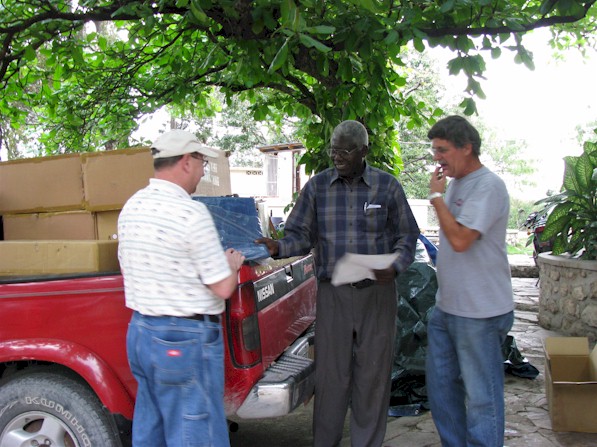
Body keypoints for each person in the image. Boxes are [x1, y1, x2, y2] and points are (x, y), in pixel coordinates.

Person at [256, 120, 420, 447]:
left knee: (373, 376)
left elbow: (407, 236)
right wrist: (279, 248)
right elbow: (299, 235)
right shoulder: (317, 188)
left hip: (377, 293)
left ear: (364, 151)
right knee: (331, 377)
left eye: (345, 150)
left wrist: (396, 264)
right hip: (334, 294)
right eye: (333, 149)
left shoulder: (387, 187)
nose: (337, 156)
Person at [118, 129, 245, 447]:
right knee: (195, 433)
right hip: (184, 342)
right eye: (202, 162)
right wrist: (231, 265)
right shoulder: (191, 213)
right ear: (186, 162)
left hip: (141, 334)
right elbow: (222, 288)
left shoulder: (132, 206)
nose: (203, 170)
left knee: (152, 427)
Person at [425, 115, 514, 446]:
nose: (437, 157)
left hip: (480, 313)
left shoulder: (489, 186)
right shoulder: (457, 184)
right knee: (441, 389)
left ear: (467, 148)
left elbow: (461, 240)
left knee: (482, 399)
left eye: (443, 150)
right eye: (434, 150)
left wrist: (435, 198)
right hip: (447, 309)